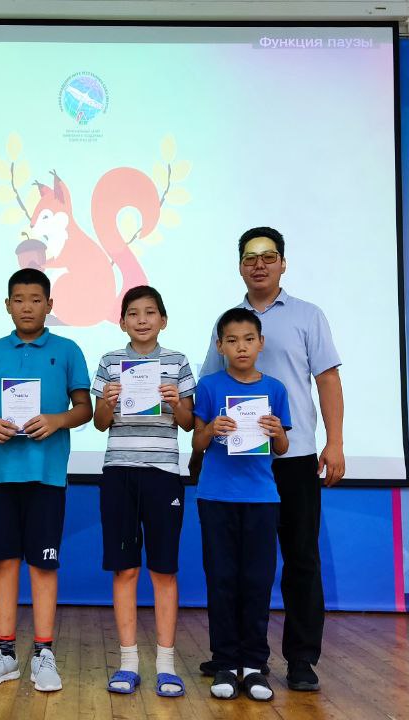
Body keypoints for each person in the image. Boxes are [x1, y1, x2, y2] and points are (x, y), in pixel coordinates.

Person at [196, 226, 345, 692]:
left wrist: (335, 442)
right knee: (235, 566)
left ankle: (301, 658)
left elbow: (327, 380)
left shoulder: (308, 316)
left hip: (293, 456)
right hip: (236, 463)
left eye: (268, 256)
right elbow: (207, 388)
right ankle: (235, 656)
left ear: (283, 263)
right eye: (250, 257)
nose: (259, 264)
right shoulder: (227, 322)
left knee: (300, 559)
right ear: (240, 265)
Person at [0, 268, 92, 693]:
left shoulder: (68, 350)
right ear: (7, 305)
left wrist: (57, 420)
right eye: (18, 299)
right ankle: (5, 653)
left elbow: (85, 407)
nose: (27, 307)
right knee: (4, 561)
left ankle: (43, 652)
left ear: (50, 305)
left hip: (47, 476)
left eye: (36, 299)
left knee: (43, 562)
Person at [90, 285, 194, 697]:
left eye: (150, 312)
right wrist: (108, 401)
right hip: (119, 471)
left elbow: (188, 422)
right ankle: (128, 662)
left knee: (164, 570)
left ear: (163, 320)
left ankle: (166, 665)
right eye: (133, 313)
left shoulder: (177, 362)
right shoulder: (109, 362)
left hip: (163, 473)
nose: (142, 320)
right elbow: (100, 422)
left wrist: (176, 402)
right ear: (122, 322)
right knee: (125, 569)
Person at [192, 307, 290, 702]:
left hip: (262, 499)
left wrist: (276, 431)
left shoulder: (276, 390)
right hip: (216, 497)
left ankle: (253, 664)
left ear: (261, 343)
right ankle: (224, 662)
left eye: (249, 339)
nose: (241, 347)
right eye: (232, 340)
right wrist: (211, 429)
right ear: (220, 346)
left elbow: (282, 447)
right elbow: (197, 441)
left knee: (257, 581)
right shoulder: (209, 386)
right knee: (221, 580)